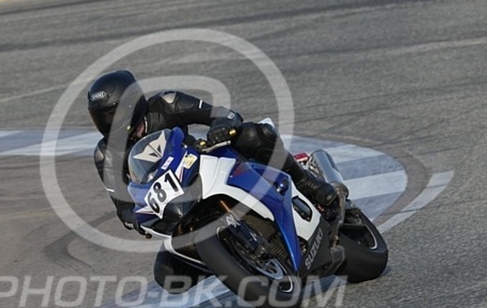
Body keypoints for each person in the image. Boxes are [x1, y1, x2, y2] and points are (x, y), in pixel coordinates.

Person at [87, 70, 336, 293]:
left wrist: (221, 126)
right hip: (175, 203)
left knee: (251, 134)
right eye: (102, 117)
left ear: (132, 104)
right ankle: (232, 258)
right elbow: (123, 205)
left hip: (206, 164)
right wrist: (135, 219)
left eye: (113, 114)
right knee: (168, 276)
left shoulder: (166, 104)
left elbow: (224, 115)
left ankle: (306, 181)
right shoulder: (105, 153)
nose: (108, 123)